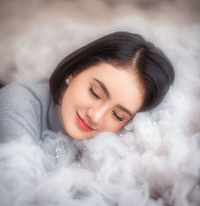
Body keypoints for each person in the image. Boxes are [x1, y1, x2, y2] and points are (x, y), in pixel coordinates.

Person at [0, 31, 174, 143]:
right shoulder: (16, 103)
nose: (96, 117)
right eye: (95, 93)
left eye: (117, 115)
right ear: (75, 70)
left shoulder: (115, 145)